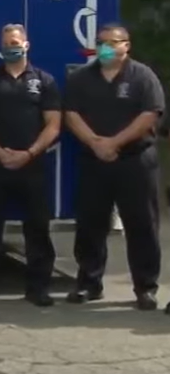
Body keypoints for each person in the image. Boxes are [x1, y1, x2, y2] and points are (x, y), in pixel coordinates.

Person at [63, 23, 164, 311]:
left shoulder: (142, 76)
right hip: (94, 161)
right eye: (101, 42)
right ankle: (88, 283)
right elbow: (71, 114)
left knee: (142, 225)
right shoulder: (82, 78)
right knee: (90, 225)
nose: (106, 47)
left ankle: (145, 287)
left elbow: (150, 115)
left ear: (126, 46)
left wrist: (114, 143)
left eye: (112, 42)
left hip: (135, 161)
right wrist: (95, 143)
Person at [0, 24, 60, 307]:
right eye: (6, 43)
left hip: (32, 165)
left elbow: (54, 125)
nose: (11, 47)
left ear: (27, 45)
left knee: (37, 229)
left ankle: (38, 288)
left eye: (16, 42)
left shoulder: (44, 81)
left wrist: (28, 153)